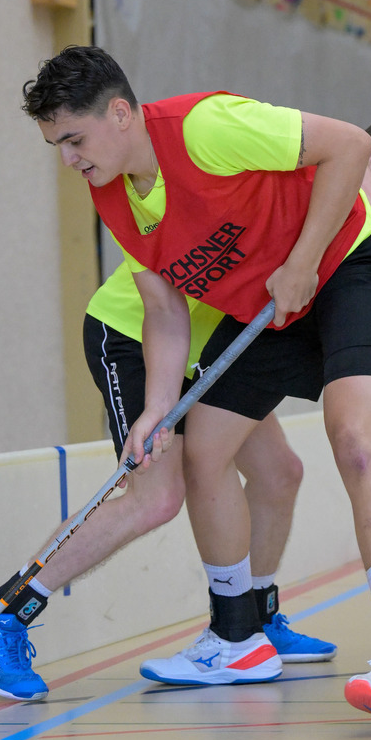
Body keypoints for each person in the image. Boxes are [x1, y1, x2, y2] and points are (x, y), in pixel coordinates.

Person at [6, 45, 371, 728]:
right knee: (203, 451)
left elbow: (349, 146)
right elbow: (163, 310)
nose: (67, 158)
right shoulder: (114, 195)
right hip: (266, 307)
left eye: (73, 139)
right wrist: (154, 409)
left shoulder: (205, 128)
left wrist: (304, 262)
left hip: (344, 264)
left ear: (119, 114)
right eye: (55, 144)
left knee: (356, 439)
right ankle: (234, 638)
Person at [84, 258, 337, 661]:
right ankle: (10, 612)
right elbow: (164, 305)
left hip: (207, 349)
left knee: (279, 474)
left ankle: (258, 620)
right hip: (135, 333)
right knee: (156, 499)